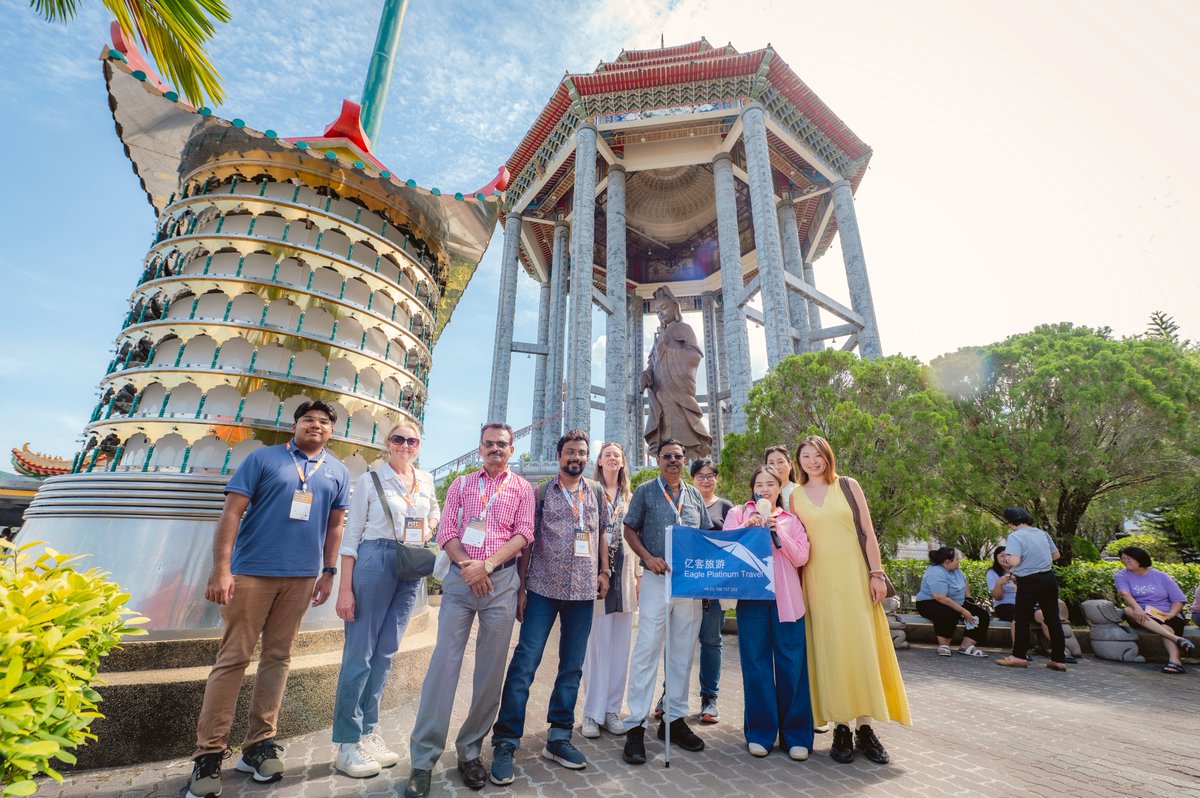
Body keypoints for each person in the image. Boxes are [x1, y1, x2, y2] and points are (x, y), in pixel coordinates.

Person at [187, 400, 351, 798]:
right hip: (252, 574)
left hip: (300, 577)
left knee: (278, 658)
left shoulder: (338, 471)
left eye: (324, 422)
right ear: (294, 425)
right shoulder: (264, 458)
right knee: (233, 658)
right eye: (309, 419)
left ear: (332, 432)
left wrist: (329, 572)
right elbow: (231, 514)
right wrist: (220, 569)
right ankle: (209, 755)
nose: (316, 425)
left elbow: (335, 527)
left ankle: (259, 744)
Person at [403, 423, 534, 798]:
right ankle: (423, 759)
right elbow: (446, 531)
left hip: (501, 583)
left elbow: (524, 534)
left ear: (511, 449)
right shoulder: (461, 484)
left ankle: (471, 751)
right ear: (480, 448)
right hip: (462, 583)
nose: (496, 449)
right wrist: (469, 567)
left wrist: (488, 566)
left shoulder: (523, 489)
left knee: (491, 672)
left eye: (503, 445)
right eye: (489, 444)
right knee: (444, 666)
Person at [489, 430, 610, 784]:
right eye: (570, 451)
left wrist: (604, 571)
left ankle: (559, 737)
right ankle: (506, 739)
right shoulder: (539, 491)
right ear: (559, 455)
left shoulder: (597, 492)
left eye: (582, 452)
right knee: (525, 661)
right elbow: (527, 540)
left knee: (572, 667)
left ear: (588, 458)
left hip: (583, 591)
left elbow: (602, 532)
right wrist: (522, 588)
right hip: (542, 588)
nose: (576, 457)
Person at [789, 435, 909, 766]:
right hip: (817, 583)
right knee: (831, 650)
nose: (812, 461)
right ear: (799, 462)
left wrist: (876, 573)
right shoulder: (795, 496)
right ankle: (841, 726)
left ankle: (865, 728)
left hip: (855, 578)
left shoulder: (847, 485)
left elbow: (868, 532)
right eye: (806, 456)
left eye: (818, 455)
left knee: (860, 647)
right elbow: (795, 542)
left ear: (828, 457)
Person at [331, 421, 439, 777]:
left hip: (409, 563)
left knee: (386, 651)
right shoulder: (370, 480)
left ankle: (368, 730)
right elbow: (351, 537)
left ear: (418, 445)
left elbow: (434, 512)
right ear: (387, 443)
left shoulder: (424, 481)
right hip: (374, 559)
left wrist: (429, 527)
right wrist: (345, 588)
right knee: (360, 651)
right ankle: (347, 743)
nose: (405, 445)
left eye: (412, 440)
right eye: (398, 439)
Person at [620, 439, 711, 765]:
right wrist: (648, 557)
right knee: (647, 650)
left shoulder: (693, 495)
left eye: (678, 456)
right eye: (667, 456)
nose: (673, 461)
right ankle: (636, 725)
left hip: (686, 587)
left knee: (683, 653)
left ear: (685, 460)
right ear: (656, 459)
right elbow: (629, 528)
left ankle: (673, 718)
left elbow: (704, 535)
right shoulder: (645, 491)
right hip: (657, 581)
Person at [723, 465, 813, 760]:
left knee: (793, 666)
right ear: (752, 488)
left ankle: (797, 735)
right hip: (752, 600)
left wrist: (779, 533)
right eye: (759, 483)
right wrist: (746, 533)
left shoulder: (790, 519)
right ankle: (761, 732)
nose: (765, 488)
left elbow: (801, 556)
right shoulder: (738, 513)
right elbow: (727, 549)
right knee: (757, 665)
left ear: (779, 488)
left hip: (788, 601)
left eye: (771, 484)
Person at [652, 458, 732, 725]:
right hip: (684, 586)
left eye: (711, 475)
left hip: (711, 589)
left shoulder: (726, 508)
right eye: (700, 475)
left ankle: (710, 698)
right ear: (693, 478)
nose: (706, 479)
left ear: (717, 478)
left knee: (711, 642)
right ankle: (668, 695)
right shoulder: (684, 502)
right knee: (675, 643)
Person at [581, 442, 636, 738]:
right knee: (596, 647)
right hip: (597, 577)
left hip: (625, 577)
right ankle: (592, 712)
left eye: (618, 454)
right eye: (607, 454)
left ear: (623, 462)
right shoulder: (589, 491)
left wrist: (639, 577)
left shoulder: (630, 497)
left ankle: (613, 709)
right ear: (599, 462)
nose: (613, 458)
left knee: (620, 648)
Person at [994, 508, 1068, 671]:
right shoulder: (1042, 533)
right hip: (1049, 578)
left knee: (1021, 618)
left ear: (1011, 522)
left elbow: (1015, 561)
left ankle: (1018, 656)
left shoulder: (1015, 536)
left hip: (1029, 580)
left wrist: (1007, 557)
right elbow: (1056, 556)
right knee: (1053, 619)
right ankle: (1058, 659)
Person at [1113, 546, 1195, 674]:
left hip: (1167, 614)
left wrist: (1171, 614)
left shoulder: (1161, 576)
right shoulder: (1121, 575)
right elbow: (1125, 594)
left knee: (1166, 628)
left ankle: (1175, 662)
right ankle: (1177, 642)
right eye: (1123, 559)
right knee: (1129, 610)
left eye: (1129, 558)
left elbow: (1178, 599)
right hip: (1142, 614)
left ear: (1140, 558)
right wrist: (1137, 608)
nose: (1125, 561)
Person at [914, 547, 990, 657]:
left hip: (955, 601)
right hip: (930, 602)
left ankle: (967, 645)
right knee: (948, 612)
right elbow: (941, 598)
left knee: (982, 615)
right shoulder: (935, 573)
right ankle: (944, 645)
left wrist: (969, 601)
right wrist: (963, 611)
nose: (959, 561)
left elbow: (964, 582)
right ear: (947, 561)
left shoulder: (955, 570)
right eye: (957, 559)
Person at [988, 547, 1052, 653]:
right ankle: (1018, 651)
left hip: (1025, 602)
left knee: (1043, 615)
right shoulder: (992, 572)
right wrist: (999, 583)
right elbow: (997, 597)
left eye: (1007, 555)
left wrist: (1020, 583)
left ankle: (1059, 648)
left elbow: (1033, 590)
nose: (1005, 558)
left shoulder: (1021, 570)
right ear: (996, 558)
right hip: (1005, 605)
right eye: (1001, 556)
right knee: (1019, 616)